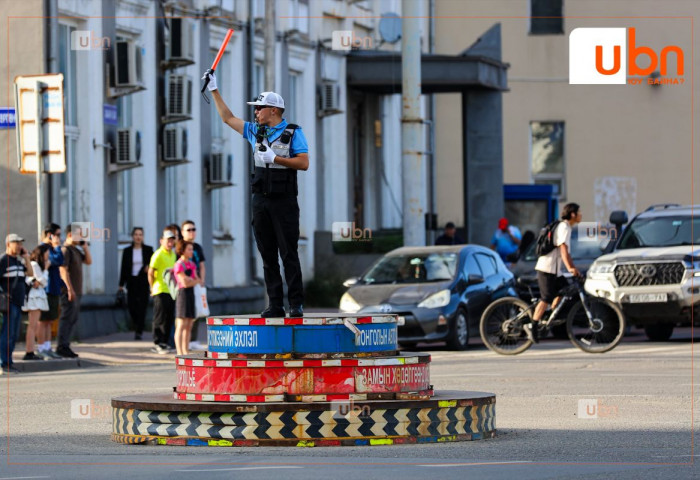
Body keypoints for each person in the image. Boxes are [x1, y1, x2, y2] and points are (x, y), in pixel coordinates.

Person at [204, 71, 309, 318]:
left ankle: (295, 304)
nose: (256, 112)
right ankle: (275, 305)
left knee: (289, 253)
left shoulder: (293, 132)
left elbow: (304, 163)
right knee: (267, 254)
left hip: (284, 201)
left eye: (260, 108)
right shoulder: (255, 132)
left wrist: (277, 159)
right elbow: (228, 118)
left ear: (274, 110)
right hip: (260, 200)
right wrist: (214, 90)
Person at [525, 203, 583, 343]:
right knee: (546, 297)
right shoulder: (564, 227)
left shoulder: (566, 227)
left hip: (555, 271)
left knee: (564, 290)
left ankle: (549, 315)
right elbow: (563, 250)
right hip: (546, 268)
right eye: (579, 212)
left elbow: (566, 253)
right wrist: (570, 268)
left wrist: (573, 268)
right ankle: (532, 327)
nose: (581, 215)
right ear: (573, 214)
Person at [0, 234, 35, 373]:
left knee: (13, 334)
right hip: (8, 302)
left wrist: (26, 257)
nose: (20, 246)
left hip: (19, 302)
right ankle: (4, 363)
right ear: (9, 244)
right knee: (7, 333)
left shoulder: (18, 261)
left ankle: (9, 361)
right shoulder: (3, 260)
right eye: (17, 243)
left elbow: (31, 273)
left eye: (21, 243)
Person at [57, 224, 92, 358]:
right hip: (69, 292)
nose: (81, 238)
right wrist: (69, 289)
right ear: (70, 235)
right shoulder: (66, 250)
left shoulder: (75, 250)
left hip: (77, 291)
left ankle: (66, 344)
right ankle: (62, 346)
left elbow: (88, 261)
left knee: (73, 318)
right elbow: (63, 270)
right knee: (67, 318)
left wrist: (85, 247)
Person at [119, 227, 154, 340]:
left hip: (143, 280)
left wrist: (149, 268)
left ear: (143, 237)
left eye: (140, 235)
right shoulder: (127, 251)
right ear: (132, 236)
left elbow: (154, 264)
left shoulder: (148, 250)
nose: (138, 237)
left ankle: (139, 331)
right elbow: (123, 268)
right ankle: (137, 323)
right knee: (132, 306)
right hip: (131, 281)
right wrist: (121, 284)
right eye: (136, 234)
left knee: (142, 306)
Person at [148, 228, 177, 354]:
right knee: (159, 317)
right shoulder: (158, 254)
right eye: (167, 240)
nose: (170, 243)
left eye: (172, 240)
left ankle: (165, 342)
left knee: (169, 317)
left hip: (171, 290)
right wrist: (152, 287)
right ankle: (157, 342)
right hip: (160, 289)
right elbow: (150, 272)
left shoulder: (173, 254)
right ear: (161, 241)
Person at [39, 223, 65, 359]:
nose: (60, 238)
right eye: (58, 235)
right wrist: (56, 246)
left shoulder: (53, 248)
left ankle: (48, 347)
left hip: (54, 288)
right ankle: (41, 348)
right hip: (46, 289)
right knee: (43, 321)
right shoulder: (44, 249)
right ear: (50, 235)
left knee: (50, 321)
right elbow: (58, 260)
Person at [181, 220, 206, 350]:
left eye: (193, 229)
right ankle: (182, 343)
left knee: (197, 311)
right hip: (184, 285)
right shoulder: (179, 247)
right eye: (188, 230)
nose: (191, 232)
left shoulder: (197, 247)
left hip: (196, 283)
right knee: (183, 314)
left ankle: (193, 340)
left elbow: (201, 265)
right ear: (182, 232)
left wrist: (202, 280)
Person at [22, 244, 50, 360]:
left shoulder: (37, 265)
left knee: (34, 324)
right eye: (47, 252)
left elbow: (41, 282)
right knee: (32, 325)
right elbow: (42, 281)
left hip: (37, 297)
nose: (48, 255)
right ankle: (29, 351)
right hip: (34, 297)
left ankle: (31, 351)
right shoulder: (34, 265)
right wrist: (46, 269)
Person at [173, 240, 199, 356]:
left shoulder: (192, 264)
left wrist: (191, 280)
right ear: (182, 250)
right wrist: (191, 280)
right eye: (189, 249)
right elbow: (184, 283)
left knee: (189, 324)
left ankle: (186, 350)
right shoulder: (179, 264)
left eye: (192, 249)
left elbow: (198, 280)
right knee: (181, 324)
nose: (191, 251)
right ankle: (179, 351)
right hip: (182, 295)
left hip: (191, 295)